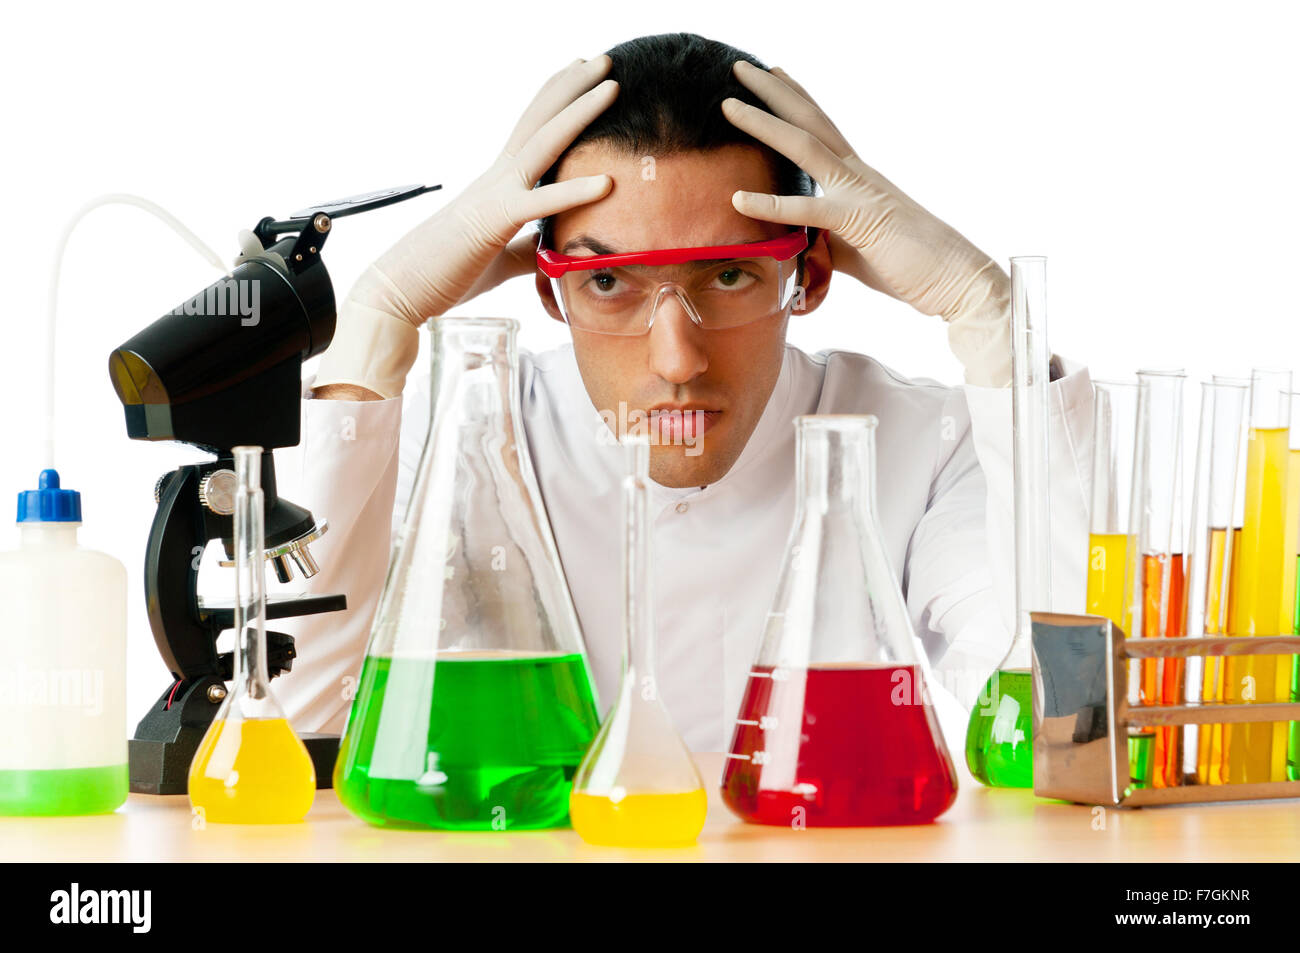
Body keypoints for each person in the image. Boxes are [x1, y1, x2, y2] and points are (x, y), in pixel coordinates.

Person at [280, 33, 1093, 752]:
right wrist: (378, 318)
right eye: (608, 281)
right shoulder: (459, 445)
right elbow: (300, 727)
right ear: (549, 291)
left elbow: (1074, 722)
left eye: (730, 275)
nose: (677, 359)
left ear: (808, 275)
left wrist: (987, 312)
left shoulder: (925, 443)